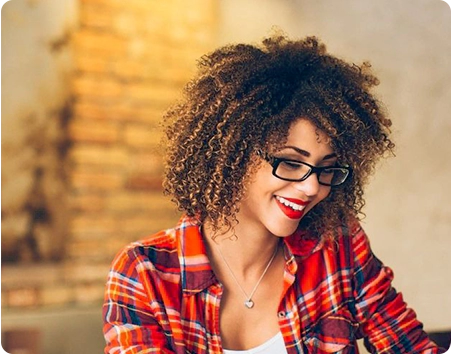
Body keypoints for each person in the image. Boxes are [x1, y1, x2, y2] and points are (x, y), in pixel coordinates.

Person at [102, 34, 446, 353]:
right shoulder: (146, 272)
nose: (312, 187)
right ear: (233, 152)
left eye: (327, 167)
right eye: (290, 163)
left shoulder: (338, 246)